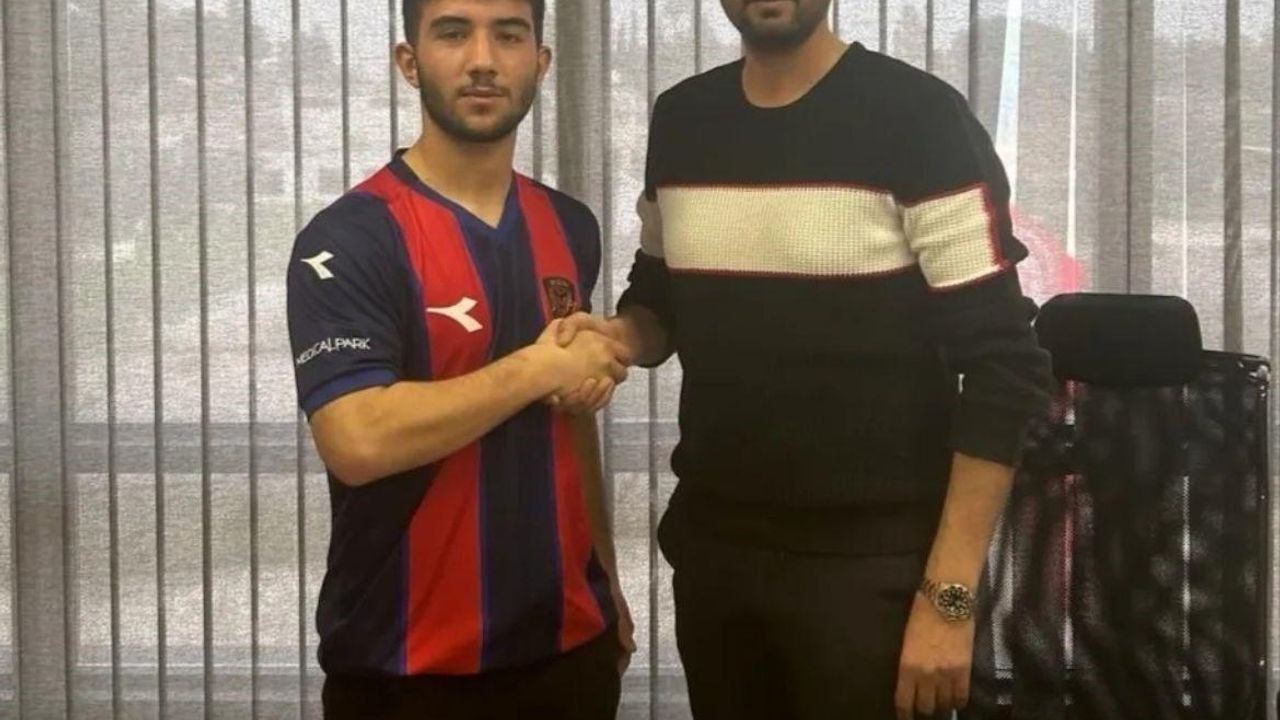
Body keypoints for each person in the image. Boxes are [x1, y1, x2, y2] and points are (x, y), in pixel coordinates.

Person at [555, 1, 1054, 717]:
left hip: (872, 571)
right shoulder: (683, 119)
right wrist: (616, 339)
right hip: (716, 556)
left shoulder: (918, 117)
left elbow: (1005, 366)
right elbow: (661, 295)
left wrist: (949, 598)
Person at [286, 1, 634, 717]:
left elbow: (569, 421)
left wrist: (606, 577)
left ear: (539, 63)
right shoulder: (350, 238)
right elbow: (357, 439)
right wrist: (535, 369)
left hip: (570, 651)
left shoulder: (570, 225)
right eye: (452, 33)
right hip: (404, 668)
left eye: (508, 35)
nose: (482, 59)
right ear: (409, 62)